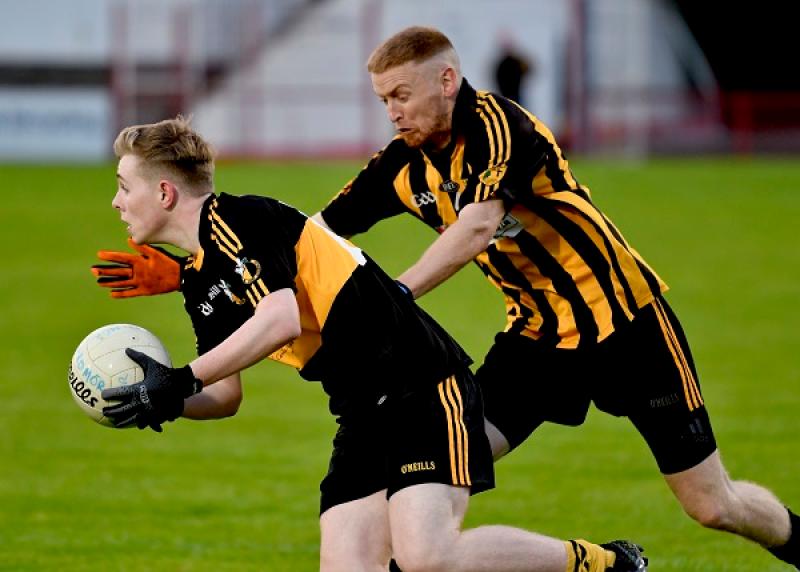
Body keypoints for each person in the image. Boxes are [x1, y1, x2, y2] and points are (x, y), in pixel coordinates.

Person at [91, 26, 797, 568]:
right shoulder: (396, 168)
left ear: (447, 81)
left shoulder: (498, 127)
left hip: (626, 323)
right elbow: (309, 238)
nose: (391, 112)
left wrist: (387, 299)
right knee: (427, 514)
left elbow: (479, 226)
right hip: (536, 341)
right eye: (382, 101)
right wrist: (202, 272)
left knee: (712, 505)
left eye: (401, 95)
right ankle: (585, 561)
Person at [96, 116, 648, 572]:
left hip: (423, 389)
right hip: (362, 414)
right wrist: (161, 400)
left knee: (428, 556)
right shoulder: (198, 277)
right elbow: (225, 396)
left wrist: (181, 378)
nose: (117, 202)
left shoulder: (241, 219)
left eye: (125, 186)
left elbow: (281, 319)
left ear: (165, 191)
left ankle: (602, 566)